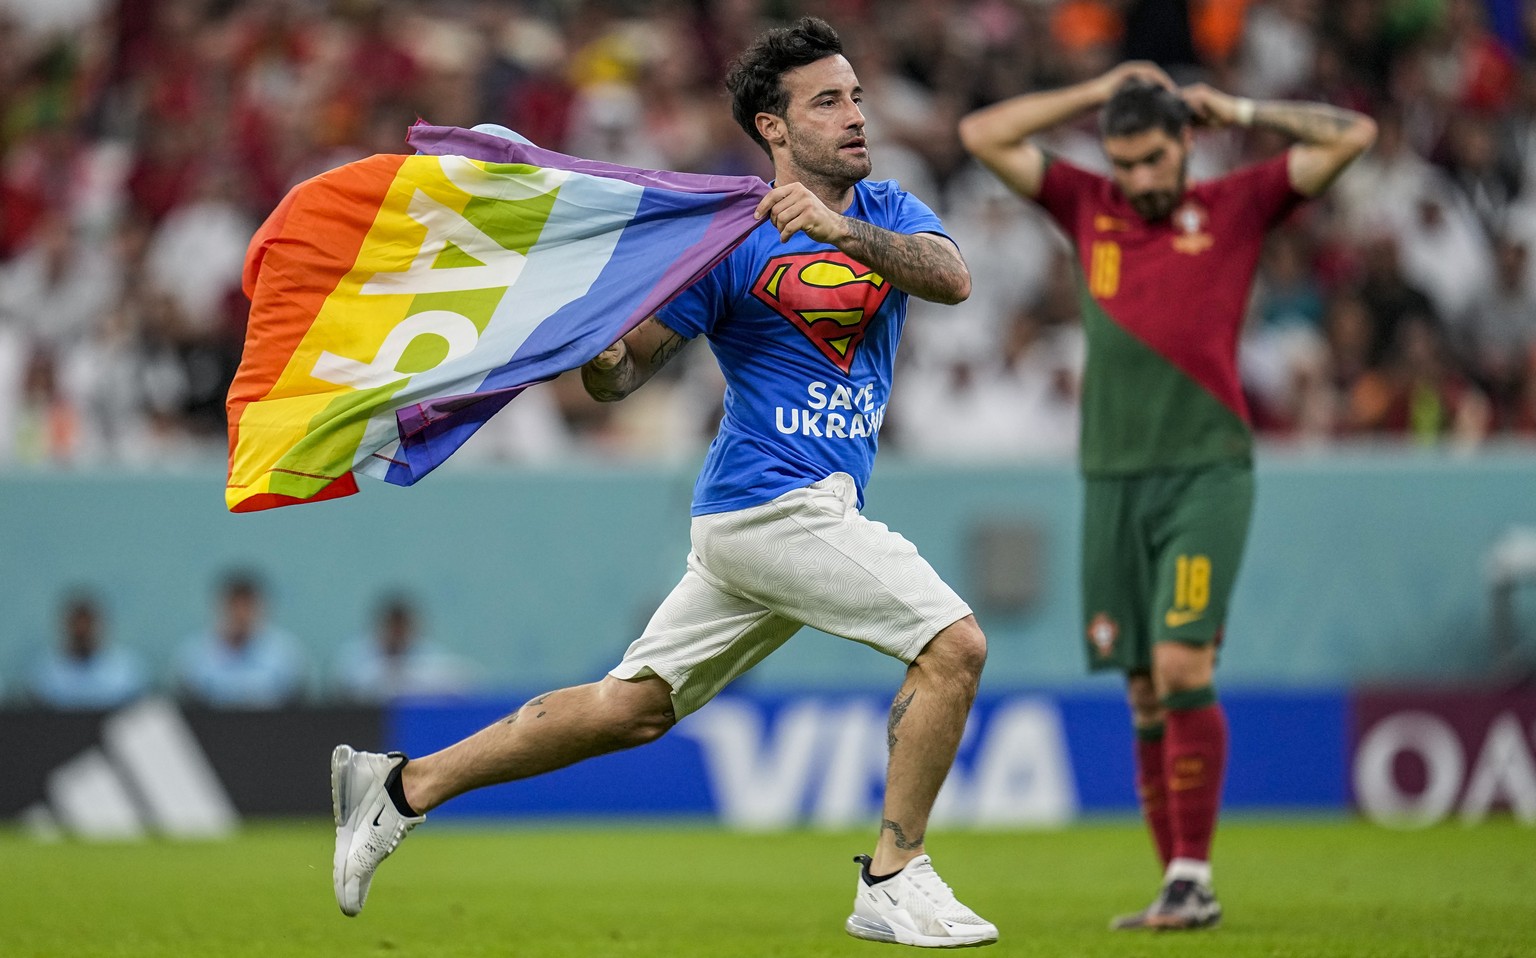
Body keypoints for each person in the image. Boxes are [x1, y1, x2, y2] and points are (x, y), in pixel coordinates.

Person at [331, 17, 997, 949]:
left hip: (784, 516)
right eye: (827, 101)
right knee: (954, 647)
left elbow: (953, 278)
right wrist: (597, 350)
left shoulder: (885, 211)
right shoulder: (726, 241)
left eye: (855, 96)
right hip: (771, 503)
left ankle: (400, 787)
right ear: (774, 129)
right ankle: (892, 875)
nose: (855, 115)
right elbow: (624, 372)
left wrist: (838, 227)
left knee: (630, 708)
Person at [959, 64, 1375, 930]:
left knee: (1185, 664)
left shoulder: (1238, 204)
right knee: (1145, 690)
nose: (1140, 180)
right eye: (1124, 163)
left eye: (1153, 159)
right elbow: (981, 136)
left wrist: (1245, 111)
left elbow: (1354, 137)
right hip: (1110, 479)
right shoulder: (1088, 203)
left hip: (1205, 472)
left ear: (1186, 142)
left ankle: (1194, 875)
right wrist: (1093, 89)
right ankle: (1177, 886)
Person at [174, 569, 306, 707]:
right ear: (222, 607)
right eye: (235, 606)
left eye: (247, 606)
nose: (241, 615)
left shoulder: (286, 655)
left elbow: (297, 705)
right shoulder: (193, 655)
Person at [329, 593, 476, 702]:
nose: (397, 632)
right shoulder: (354, 656)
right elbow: (345, 686)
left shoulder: (428, 656)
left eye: (402, 627)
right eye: (393, 626)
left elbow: (464, 679)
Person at [26, 590, 148, 710]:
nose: (83, 631)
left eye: (88, 625)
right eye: (77, 626)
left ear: (99, 626)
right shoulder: (46, 672)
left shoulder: (126, 669)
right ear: (66, 627)